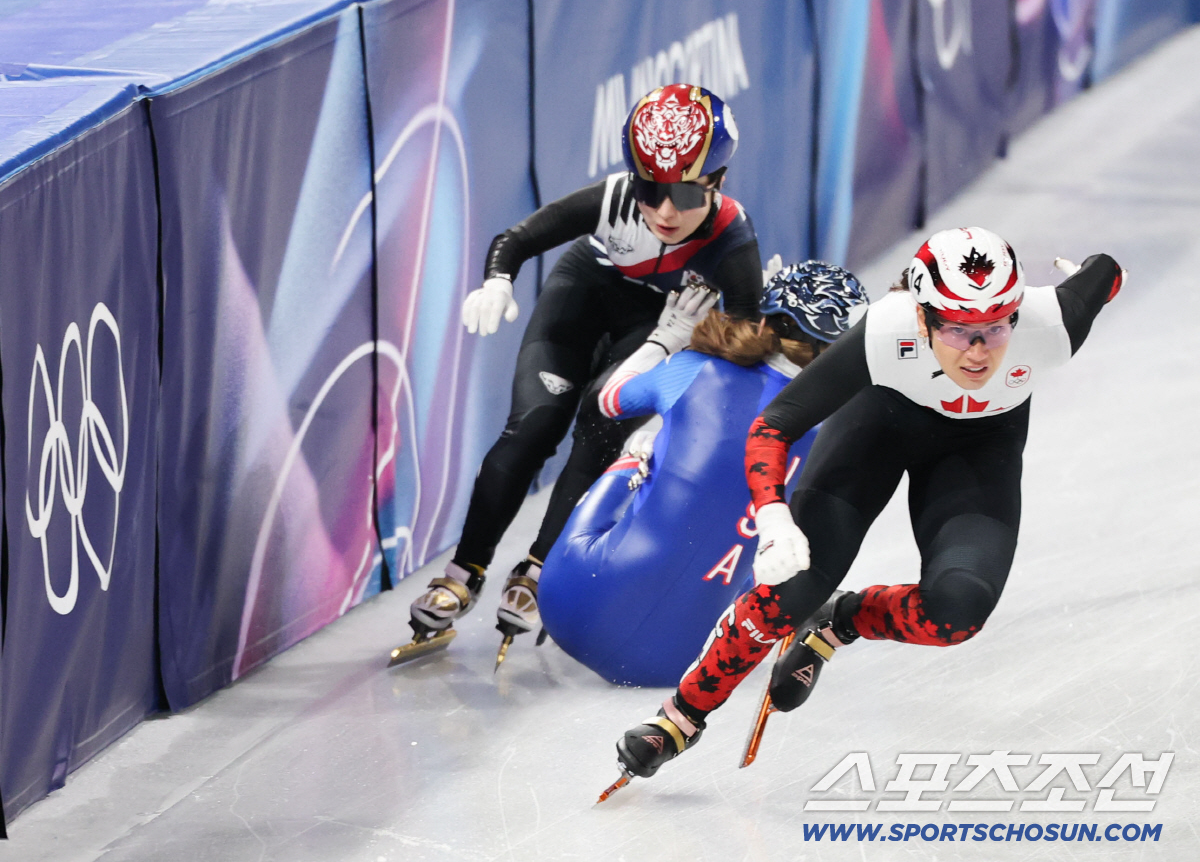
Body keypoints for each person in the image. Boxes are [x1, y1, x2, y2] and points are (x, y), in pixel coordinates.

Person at [607, 227, 1125, 787]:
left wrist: (1080, 278)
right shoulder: (885, 329)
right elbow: (772, 427)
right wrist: (775, 520)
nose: (978, 351)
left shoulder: (1050, 325)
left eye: (995, 328)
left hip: (979, 447)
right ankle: (682, 715)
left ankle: (841, 619)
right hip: (879, 426)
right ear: (922, 316)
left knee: (956, 613)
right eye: (957, 329)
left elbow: (1106, 271)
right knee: (790, 590)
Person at [390, 84, 764, 666]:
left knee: (598, 426)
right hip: (584, 295)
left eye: (686, 192)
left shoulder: (735, 243)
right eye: (651, 190)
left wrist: (677, 357)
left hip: (657, 326)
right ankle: (465, 569)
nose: (665, 211)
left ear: (716, 182)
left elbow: (741, 354)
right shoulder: (614, 197)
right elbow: (516, 238)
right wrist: (498, 280)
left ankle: (539, 568)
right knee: (530, 432)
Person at [537, 263, 869, 685]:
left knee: (643, 446)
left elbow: (610, 400)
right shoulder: (838, 428)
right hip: (684, 659)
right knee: (780, 536)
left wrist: (666, 338)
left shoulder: (695, 368)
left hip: (568, 603)